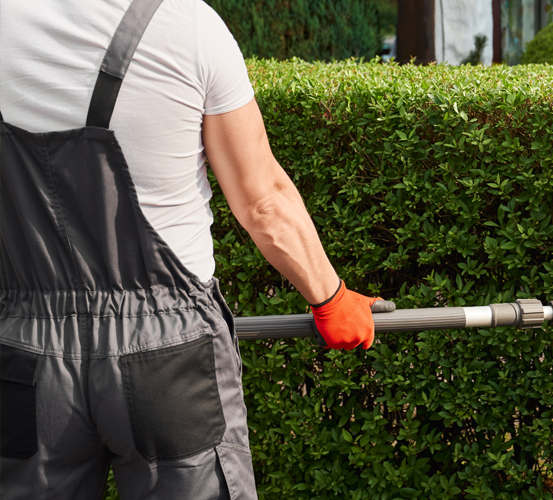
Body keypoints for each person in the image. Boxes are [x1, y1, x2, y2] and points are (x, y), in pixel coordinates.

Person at [0, 0, 385, 498]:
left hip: (26, 354)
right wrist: (330, 298)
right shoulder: (188, 25)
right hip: (170, 355)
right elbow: (262, 202)